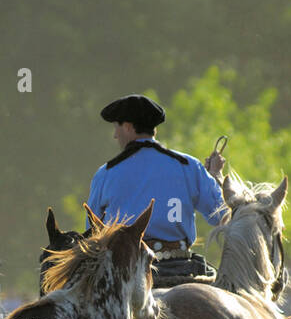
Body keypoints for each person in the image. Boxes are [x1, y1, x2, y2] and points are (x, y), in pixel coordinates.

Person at [85, 95, 227, 268]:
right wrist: (215, 175)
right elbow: (221, 216)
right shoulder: (189, 166)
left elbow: (91, 236)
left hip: (125, 270)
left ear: (129, 127)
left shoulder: (106, 173)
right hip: (181, 264)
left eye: (117, 127)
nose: (115, 135)